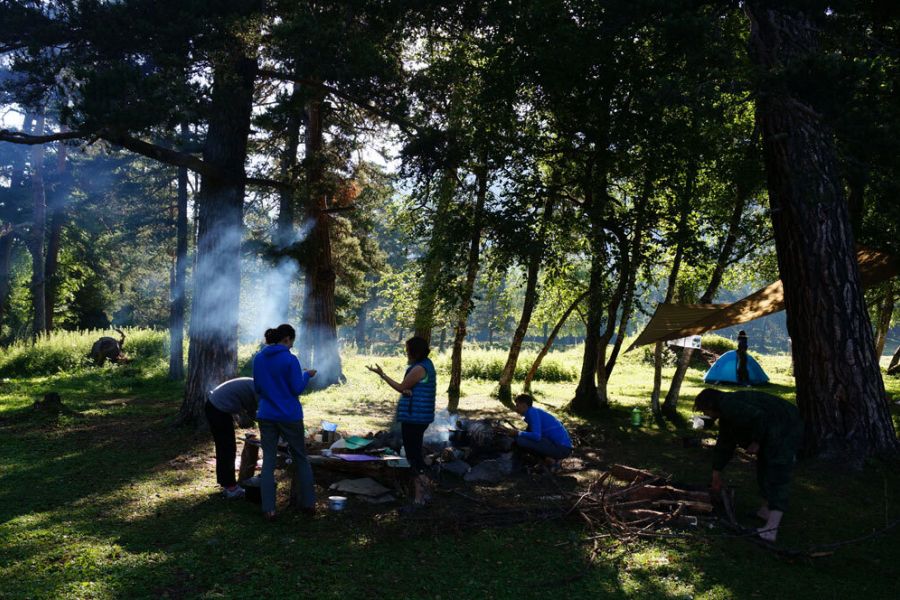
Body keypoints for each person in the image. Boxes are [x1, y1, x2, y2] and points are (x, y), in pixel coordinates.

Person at [694, 388, 803, 542]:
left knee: (777, 473)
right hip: (772, 429)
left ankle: (771, 529)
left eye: (705, 410)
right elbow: (725, 445)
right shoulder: (726, 415)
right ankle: (766, 510)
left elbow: (760, 417)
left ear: (711, 404)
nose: (707, 414)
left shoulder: (730, 404)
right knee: (764, 468)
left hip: (785, 427)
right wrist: (716, 474)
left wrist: (756, 441)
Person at [253, 324, 317, 521]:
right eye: (291, 342)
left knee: (269, 460)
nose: (291, 346)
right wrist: (307, 375)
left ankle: (269, 509)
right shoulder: (290, 359)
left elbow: (257, 387)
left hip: (266, 414)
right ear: (287, 339)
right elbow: (296, 388)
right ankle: (308, 504)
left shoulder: (259, 358)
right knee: (300, 457)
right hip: (289, 415)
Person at [366, 336, 436, 510]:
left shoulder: (419, 368)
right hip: (418, 416)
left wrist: (382, 375)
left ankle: (420, 499)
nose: (406, 352)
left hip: (415, 418)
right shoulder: (426, 364)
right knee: (415, 455)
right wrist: (409, 391)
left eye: (408, 349)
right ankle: (425, 495)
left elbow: (401, 386)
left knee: (414, 458)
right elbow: (410, 388)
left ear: (414, 351)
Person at [205, 377, 259, 499]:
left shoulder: (257, 384)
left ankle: (226, 483)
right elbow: (261, 413)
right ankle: (231, 488)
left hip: (216, 406)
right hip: (217, 408)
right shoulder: (261, 389)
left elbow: (253, 412)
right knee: (227, 448)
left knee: (225, 447)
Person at [510, 394, 573, 469]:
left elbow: (536, 436)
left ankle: (551, 460)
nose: (515, 408)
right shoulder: (533, 412)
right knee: (523, 439)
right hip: (561, 447)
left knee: (520, 440)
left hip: (562, 449)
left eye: (517, 405)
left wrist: (518, 433)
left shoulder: (532, 413)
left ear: (524, 405)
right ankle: (550, 459)